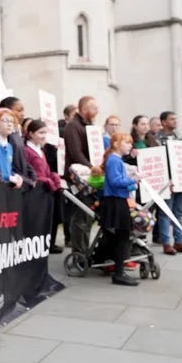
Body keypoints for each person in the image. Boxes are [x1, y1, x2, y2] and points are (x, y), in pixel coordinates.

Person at [100, 132, 141, 286]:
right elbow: (115, 181)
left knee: (122, 236)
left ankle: (119, 271)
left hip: (117, 200)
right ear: (117, 144)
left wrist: (132, 185)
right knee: (123, 236)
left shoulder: (116, 160)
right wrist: (133, 180)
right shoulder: (114, 160)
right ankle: (118, 273)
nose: (130, 146)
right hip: (115, 202)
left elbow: (117, 183)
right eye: (127, 143)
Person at [156, 111, 182, 255]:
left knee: (178, 212)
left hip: (180, 180)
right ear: (163, 122)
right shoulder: (157, 139)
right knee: (165, 213)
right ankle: (166, 243)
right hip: (166, 182)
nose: (175, 121)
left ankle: (179, 241)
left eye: (176, 119)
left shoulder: (179, 137)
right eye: (172, 119)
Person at [63, 95, 99, 253]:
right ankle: (79, 253)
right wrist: (92, 167)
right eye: (94, 108)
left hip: (90, 175)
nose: (97, 111)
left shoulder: (89, 126)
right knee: (81, 214)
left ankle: (84, 250)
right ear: (85, 109)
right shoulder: (73, 126)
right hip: (78, 177)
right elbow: (75, 153)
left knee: (88, 214)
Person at [24, 120, 63, 253]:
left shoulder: (41, 150)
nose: (44, 136)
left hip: (44, 192)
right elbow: (28, 173)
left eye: (45, 133)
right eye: (40, 133)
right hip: (34, 193)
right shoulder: (27, 151)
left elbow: (45, 170)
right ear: (31, 134)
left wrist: (53, 177)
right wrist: (45, 179)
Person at [0, 108, 25, 188]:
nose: (9, 124)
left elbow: (8, 169)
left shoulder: (9, 147)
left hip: (6, 188)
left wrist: (15, 175)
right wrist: (8, 177)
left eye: (12, 121)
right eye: (5, 120)